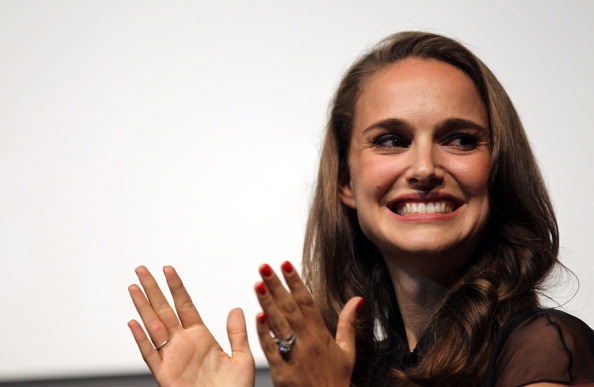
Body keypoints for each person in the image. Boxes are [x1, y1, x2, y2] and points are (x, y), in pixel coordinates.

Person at [128, 31, 594, 386]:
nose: (425, 168)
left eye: (460, 139)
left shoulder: (546, 346)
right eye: (391, 140)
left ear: (499, 169)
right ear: (346, 184)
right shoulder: (351, 369)